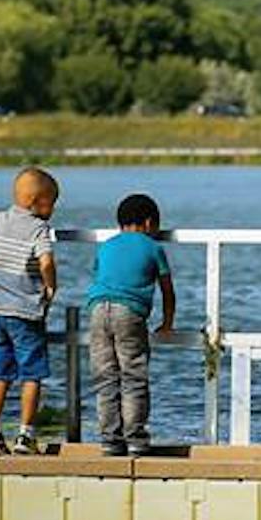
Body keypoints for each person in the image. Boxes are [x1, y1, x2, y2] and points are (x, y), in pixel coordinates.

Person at [0, 167, 60, 456]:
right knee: (32, 374)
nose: (53, 209)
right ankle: (25, 434)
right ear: (38, 201)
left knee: (0, 372)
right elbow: (46, 262)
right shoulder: (39, 229)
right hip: (27, 313)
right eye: (52, 202)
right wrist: (51, 287)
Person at [84, 193, 175, 456]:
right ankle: (135, 437)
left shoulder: (106, 246)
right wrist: (167, 323)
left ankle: (110, 439)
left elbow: (99, 275)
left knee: (105, 376)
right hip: (129, 311)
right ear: (149, 223)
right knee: (133, 375)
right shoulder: (153, 247)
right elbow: (168, 290)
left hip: (98, 309)